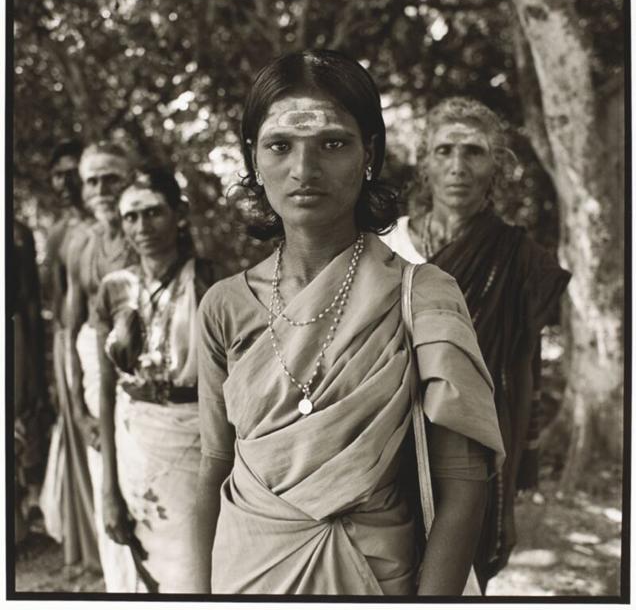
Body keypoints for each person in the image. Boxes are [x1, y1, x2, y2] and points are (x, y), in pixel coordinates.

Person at [194, 49, 505, 596]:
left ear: (370, 154)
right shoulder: (224, 306)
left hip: (374, 580)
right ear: (253, 158)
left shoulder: (424, 294)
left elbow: (463, 487)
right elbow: (214, 467)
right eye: (280, 145)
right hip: (242, 573)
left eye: (333, 144)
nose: (304, 170)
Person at [380, 96, 571, 590]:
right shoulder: (385, 245)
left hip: (472, 445)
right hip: (385, 439)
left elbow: (521, 368)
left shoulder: (520, 258)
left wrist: (509, 483)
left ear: (497, 165)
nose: (458, 167)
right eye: (444, 151)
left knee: (457, 577)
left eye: (474, 152)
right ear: (424, 162)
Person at [94, 166, 217, 592]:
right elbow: (106, 391)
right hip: (133, 443)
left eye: (153, 213)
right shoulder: (113, 288)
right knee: (142, 570)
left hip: (192, 439)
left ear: (178, 214)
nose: (141, 226)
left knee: (192, 570)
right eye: (131, 216)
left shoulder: (208, 280)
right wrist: (108, 487)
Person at [65, 141, 139, 590]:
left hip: (140, 381)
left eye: (110, 177)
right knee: (106, 489)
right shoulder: (80, 245)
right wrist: (77, 409)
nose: (100, 188)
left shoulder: (147, 232)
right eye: (91, 179)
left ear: (129, 178)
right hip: (94, 385)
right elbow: (70, 331)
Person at [39, 138, 101, 571]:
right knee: (79, 433)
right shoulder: (60, 232)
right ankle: (92, 545)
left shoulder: (110, 221)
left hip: (107, 334)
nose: (62, 182)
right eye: (55, 174)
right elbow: (54, 297)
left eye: (68, 171)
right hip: (71, 338)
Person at [13, 220, 48, 544]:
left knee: (21, 418)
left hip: (15, 332)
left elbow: (30, 302)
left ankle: (19, 521)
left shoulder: (17, 233)